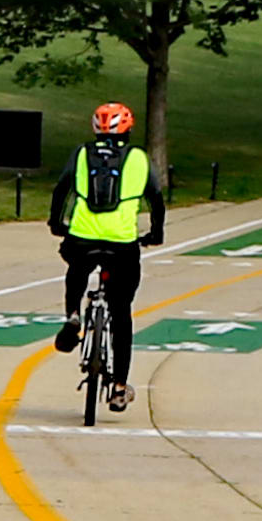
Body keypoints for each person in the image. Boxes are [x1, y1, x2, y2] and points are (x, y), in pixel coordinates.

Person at [53, 100, 161, 357]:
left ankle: (73, 315)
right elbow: (155, 198)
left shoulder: (81, 153)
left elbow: (62, 189)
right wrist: (157, 232)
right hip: (122, 242)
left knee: (76, 269)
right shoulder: (138, 158)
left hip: (83, 237)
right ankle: (120, 389)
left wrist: (56, 223)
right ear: (128, 130)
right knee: (122, 311)